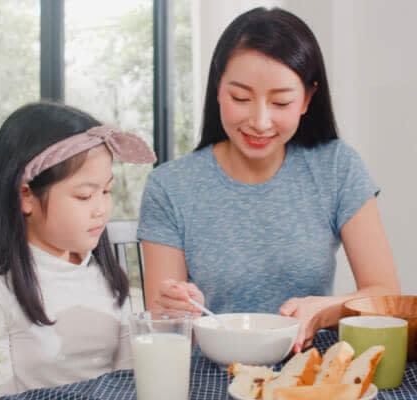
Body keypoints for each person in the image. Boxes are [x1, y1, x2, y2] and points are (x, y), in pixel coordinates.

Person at [137, 7, 400, 354]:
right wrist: (176, 308)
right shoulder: (169, 187)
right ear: (217, 89)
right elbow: (165, 327)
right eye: (241, 98)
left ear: (307, 99)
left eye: (281, 101)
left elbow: (384, 294)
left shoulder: (336, 167)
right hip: (210, 372)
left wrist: (321, 311)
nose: (260, 122)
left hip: (310, 370)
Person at [0, 101, 156, 398]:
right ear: (26, 197)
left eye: (106, 191)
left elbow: (128, 382)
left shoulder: (106, 276)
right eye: (84, 195)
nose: (101, 209)